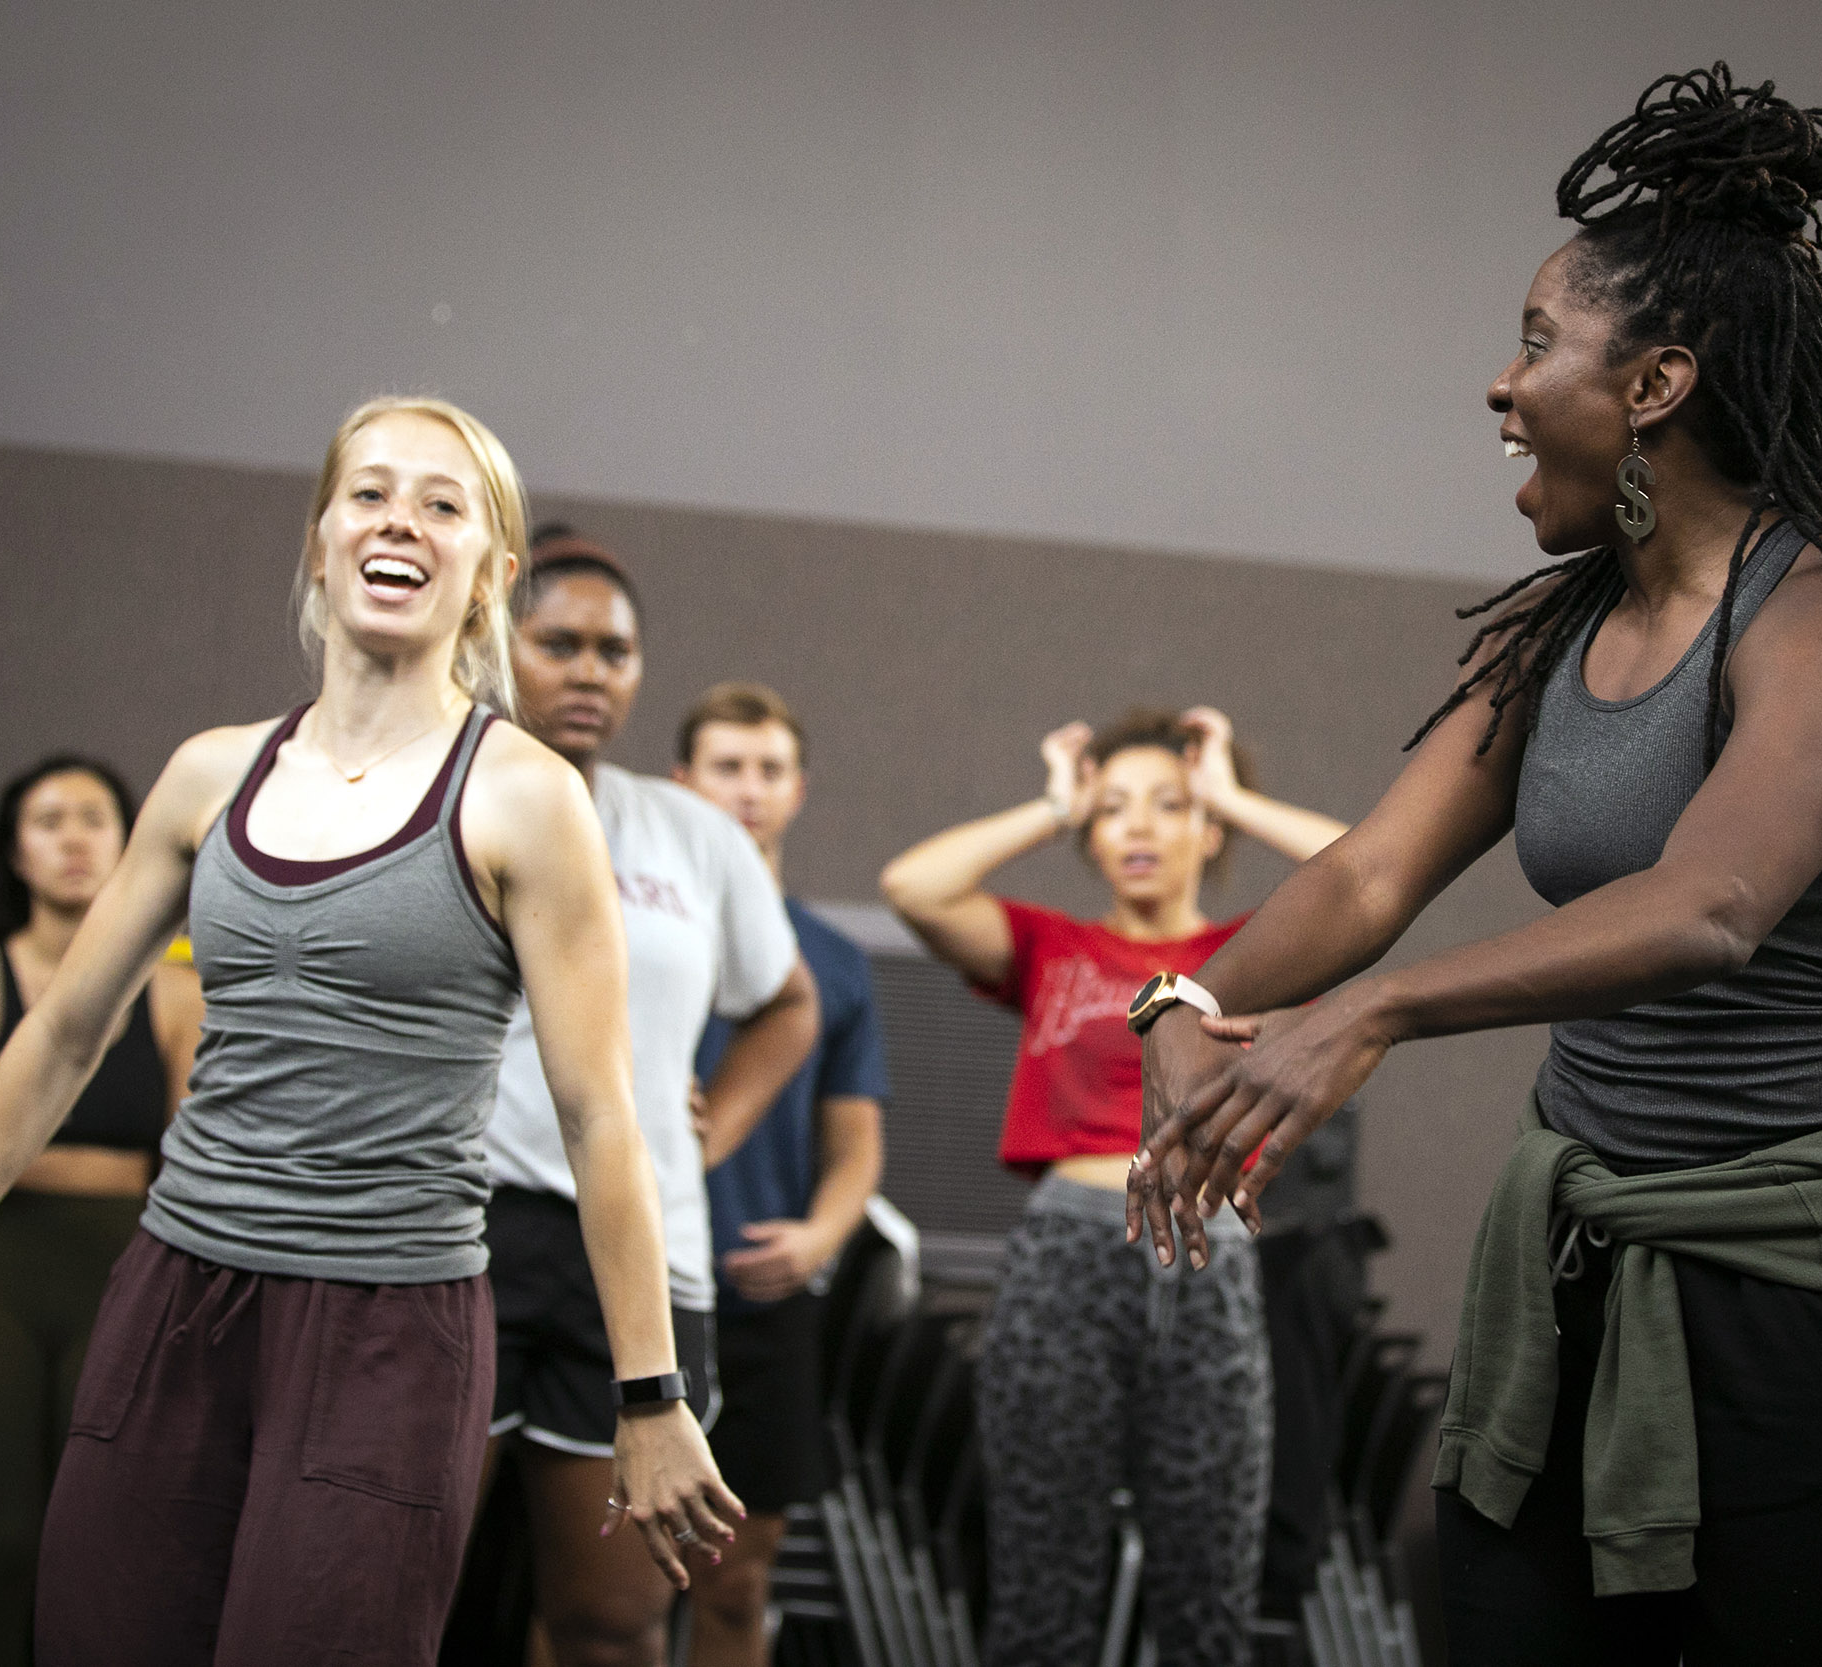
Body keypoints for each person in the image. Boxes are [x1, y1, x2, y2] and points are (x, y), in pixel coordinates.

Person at [1126, 65, 1822, 1667]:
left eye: (1539, 343)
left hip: (1810, 1293)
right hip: (1581, 1258)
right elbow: (1365, 875)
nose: (1500, 385)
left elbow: (1713, 904)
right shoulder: (1563, 629)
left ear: (1657, 384)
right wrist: (1186, 1000)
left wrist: (1372, 1019)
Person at [0, 397, 737, 1666]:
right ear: (319, 539)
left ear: (491, 578)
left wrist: (650, 1395)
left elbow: (600, 1114)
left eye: (441, 502)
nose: (398, 519)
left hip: (391, 1327)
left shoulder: (527, 797)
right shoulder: (210, 775)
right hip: (174, 1298)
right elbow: (65, 1030)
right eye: (368, 491)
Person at [881, 707, 1348, 1667]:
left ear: (1206, 829)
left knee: (1208, 1588)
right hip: (1067, 1252)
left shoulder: (1253, 952)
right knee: (1043, 1588)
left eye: (1169, 805)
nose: (1138, 827)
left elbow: (1363, 869)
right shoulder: (1051, 944)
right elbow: (912, 886)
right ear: (1090, 832)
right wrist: (1053, 803)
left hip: (1210, 1250)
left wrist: (1233, 794)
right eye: (1113, 808)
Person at [479, 530, 818, 1667]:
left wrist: (708, 1128)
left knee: (613, 1620)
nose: (590, 669)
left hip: (635, 1247)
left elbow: (785, 1003)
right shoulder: (439, 795)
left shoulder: (695, 835)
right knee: (394, 1589)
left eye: (614, 650)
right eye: (560, 642)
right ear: (498, 641)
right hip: (454, 1224)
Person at [0, 755, 203, 1667]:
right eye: (49, 820)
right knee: (4, 1544)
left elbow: (183, 1156)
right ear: (15, 854)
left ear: (128, 843)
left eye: (95, 818)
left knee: (100, 1548)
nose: (75, 838)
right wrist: (99, 1163)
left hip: (123, 1281)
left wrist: (14, 1146)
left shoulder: (177, 991)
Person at [673, 680, 889, 1667]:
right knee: (593, 1590)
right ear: (684, 782)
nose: (748, 788)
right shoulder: (637, 927)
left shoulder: (836, 962)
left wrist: (818, 1235)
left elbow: (856, 1146)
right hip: (632, 1290)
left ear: (797, 787)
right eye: (726, 766)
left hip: (762, 1306)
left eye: (767, 769)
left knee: (736, 1583)